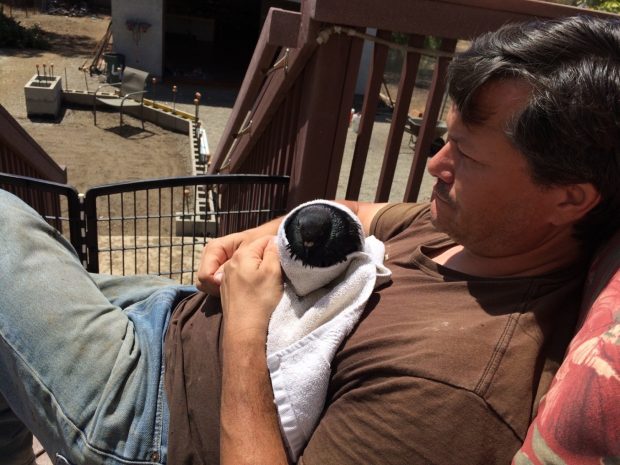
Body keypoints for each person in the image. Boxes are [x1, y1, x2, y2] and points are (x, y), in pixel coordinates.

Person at [1, 14, 619, 465]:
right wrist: (251, 233)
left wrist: (245, 325)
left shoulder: (456, 388)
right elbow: (359, 211)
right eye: (443, 138)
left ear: (570, 197)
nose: (434, 164)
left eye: (468, 157)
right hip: (170, 320)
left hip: (150, 415)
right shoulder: (478, 227)